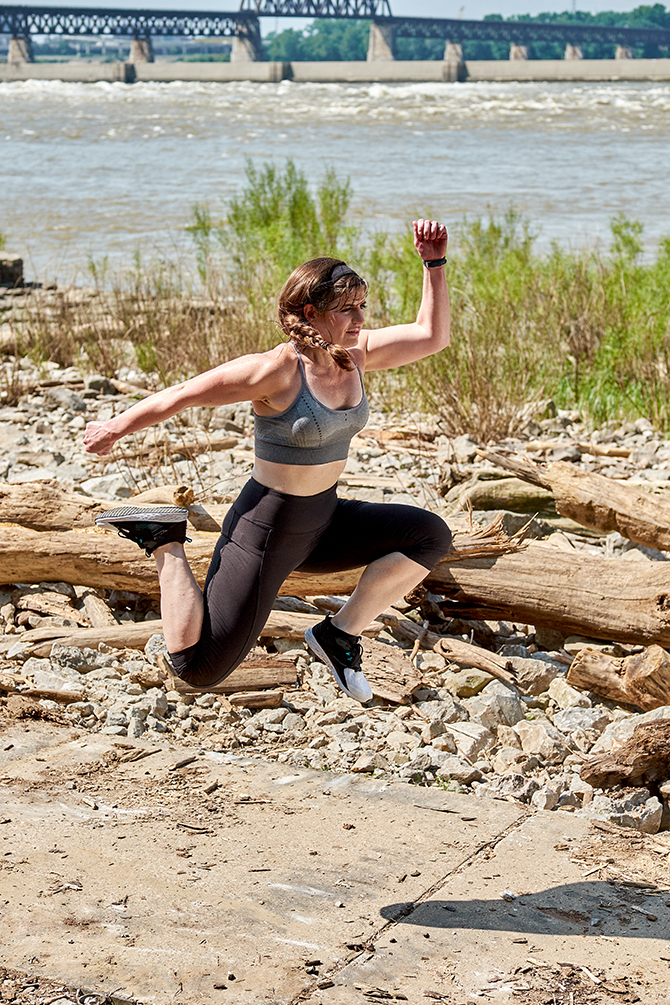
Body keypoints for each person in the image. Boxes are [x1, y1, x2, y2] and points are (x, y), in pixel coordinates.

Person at [84, 218, 452, 705]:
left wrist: (434, 264)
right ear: (310, 311)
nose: (360, 318)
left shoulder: (353, 354)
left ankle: (340, 636)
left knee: (430, 536)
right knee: (199, 668)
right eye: (347, 309)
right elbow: (183, 395)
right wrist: (115, 427)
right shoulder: (274, 371)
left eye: (363, 306)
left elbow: (432, 337)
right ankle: (163, 540)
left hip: (324, 520)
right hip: (266, 531)